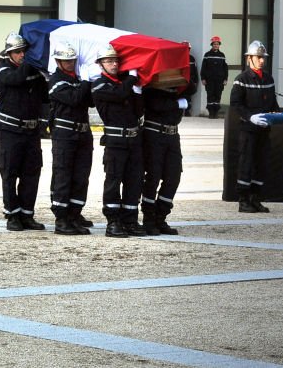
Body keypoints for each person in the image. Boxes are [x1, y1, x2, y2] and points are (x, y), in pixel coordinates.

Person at [0, 33, 49, 231]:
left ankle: (27, 214)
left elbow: (45, 98)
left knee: (31, 173)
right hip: (11, 130)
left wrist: (43, 122)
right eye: (17, 52)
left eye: (24, 51)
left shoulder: (33, 71)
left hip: (31, 131)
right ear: (9, 53)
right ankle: (12, 214)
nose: (22, 55)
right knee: (9, 173)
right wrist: (31, 60)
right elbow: (17, 79)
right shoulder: (3, 70)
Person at [91, 45, 145, 237]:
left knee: (134, 180)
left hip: (133, 140)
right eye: (108, 61)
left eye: (116, 61)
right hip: (115, 141)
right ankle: (113, 221)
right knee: (114, 180)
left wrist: (138, 92)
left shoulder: (125, 84)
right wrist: (131, 79)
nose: (114, 64)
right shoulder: (99, 84)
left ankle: (130, 219)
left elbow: (138, 111)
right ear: (100, 65)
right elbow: (118, 94)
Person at [141, 55, 198, 234]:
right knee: (153, 176)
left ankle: (161, 216)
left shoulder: (177, 83)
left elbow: (193, 87)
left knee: (173, 176)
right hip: (154, 134)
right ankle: (149, 219)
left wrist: (185, 68)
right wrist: (175, 103)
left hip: (172, 135)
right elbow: (156, 104)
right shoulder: (153, 83)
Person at [47, 42, 95, 235]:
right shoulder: (56, 80)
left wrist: (90, 82)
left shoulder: (78, 78)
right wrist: (85, 82)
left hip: (83, 133)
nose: (70, 63)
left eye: (72, 60)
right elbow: (74, 99)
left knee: (81, 176)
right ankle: (61, 218)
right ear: (58, 61)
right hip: (65, 134)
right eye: (66, 60)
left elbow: (90, 101)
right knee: (64, 175)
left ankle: (74, 215)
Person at [229, 40, 279, 213]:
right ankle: (243, 200)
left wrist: (276, 115)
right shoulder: (241, 79)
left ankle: (255, 198)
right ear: (249, 58)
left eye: (263, 57)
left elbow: (273, 103)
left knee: (261, 164)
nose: (262, 60)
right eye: (258, 57)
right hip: (248, 130)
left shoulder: (268, 78)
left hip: (264, 129)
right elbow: (235, 104)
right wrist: (251, 117)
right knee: (246, 164)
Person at [201, 36, 227, 119]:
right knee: (210, 95)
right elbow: (203, 67)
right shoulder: (207, 55)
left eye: (217, 44)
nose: (216, 45)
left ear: (219, 45)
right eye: (214, 44)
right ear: (212, 45)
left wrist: (225, 79)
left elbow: (225, 68)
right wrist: (203, 78)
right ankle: (211, 113)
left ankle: (216, 112)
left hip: (219, 80)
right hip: (209, 80)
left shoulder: (222, 55)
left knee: (218, 96)